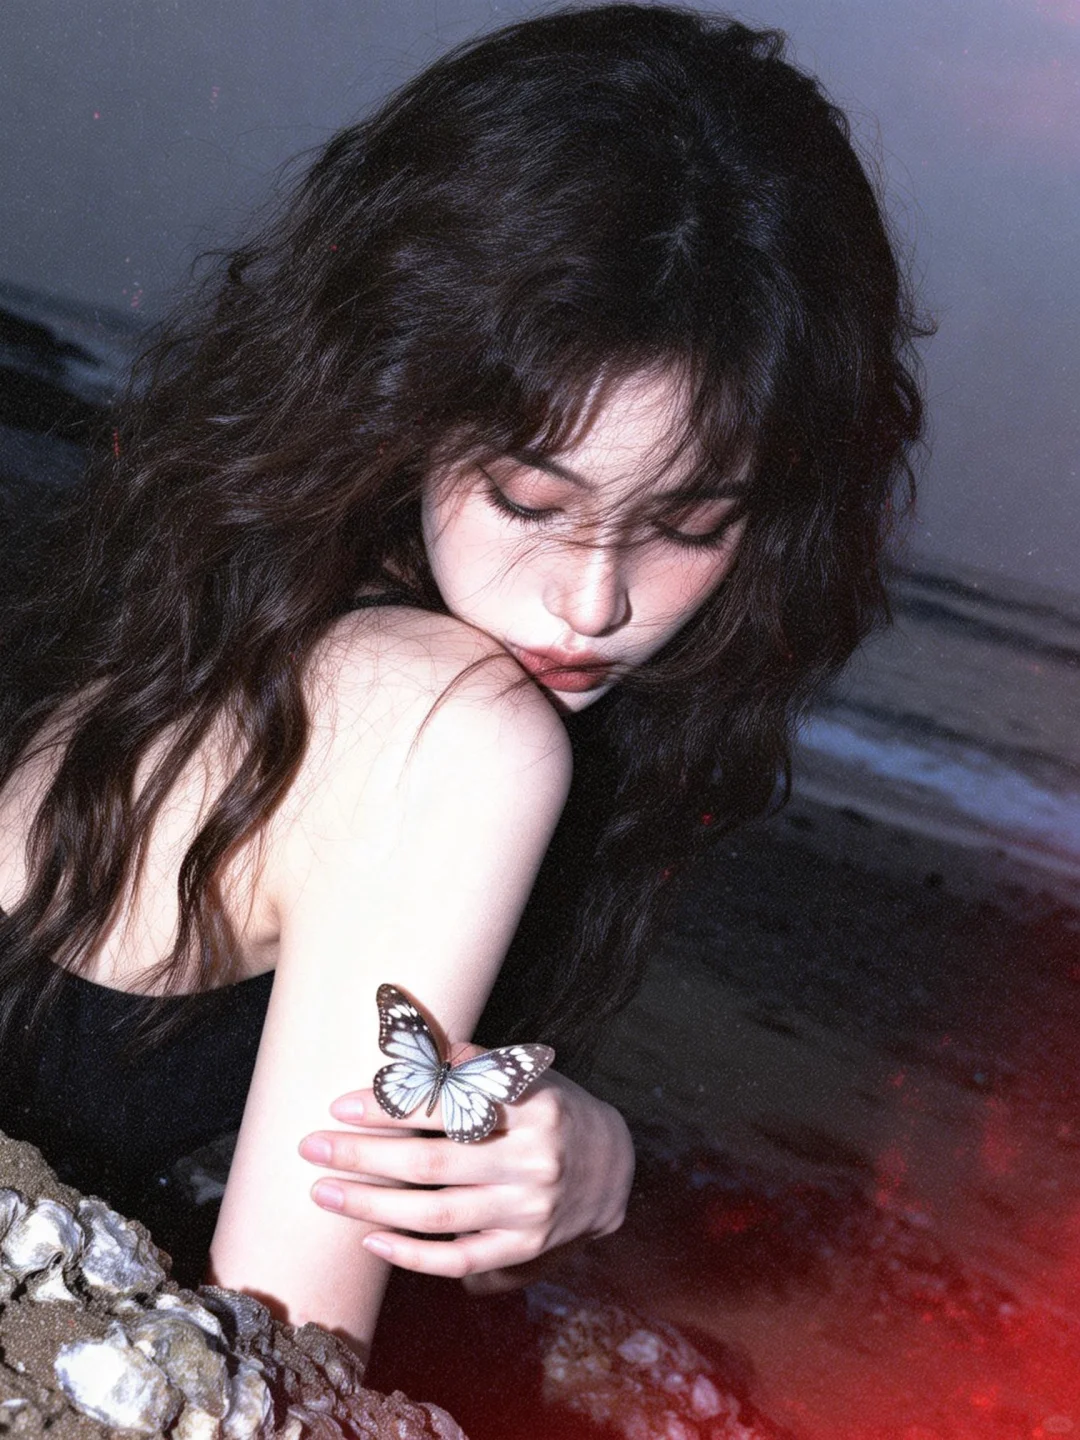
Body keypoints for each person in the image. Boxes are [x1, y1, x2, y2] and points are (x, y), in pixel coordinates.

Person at [0, 1, 925, 1377]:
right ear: (405, 408)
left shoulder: (261, 616)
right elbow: (288, 1357)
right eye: (529, 501)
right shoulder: (449, 725)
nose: (594, 603)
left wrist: (588, 1161)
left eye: (690, 525)